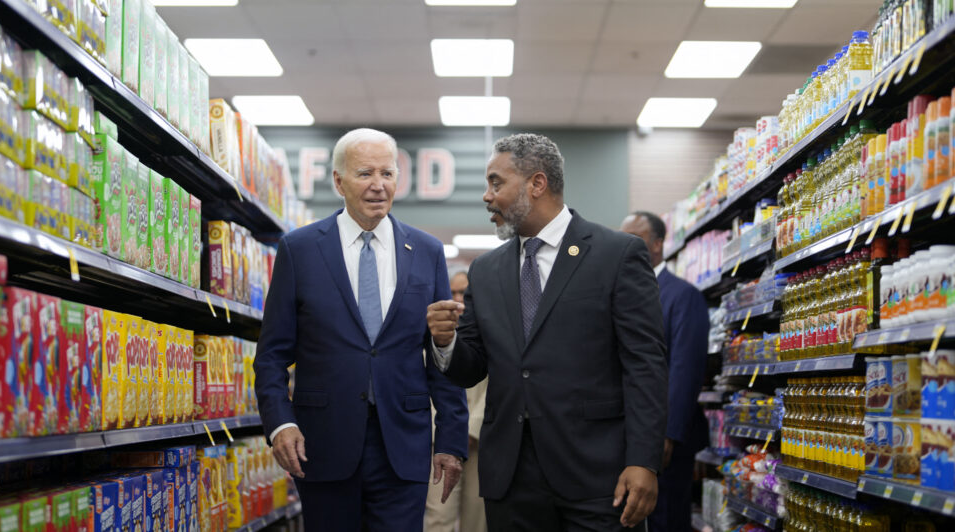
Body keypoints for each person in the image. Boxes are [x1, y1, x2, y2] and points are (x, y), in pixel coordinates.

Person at [426, 133, 668, 531]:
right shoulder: (486, 271)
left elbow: (646, 366)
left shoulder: (616, 255)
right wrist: (445, 341)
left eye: (496, 182)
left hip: (596, 477)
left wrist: (643, 460)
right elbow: (471, 368)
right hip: (511, 479)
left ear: (537, 184)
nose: (487, 196)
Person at [254, 128, 469, 532]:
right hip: (322, 443)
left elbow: (442, 354)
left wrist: (452, 440)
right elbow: (272, 355)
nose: (378, 186)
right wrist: (280, 423)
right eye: (365, 173)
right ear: (338, 181)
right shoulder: (299, 249)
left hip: (403, 444)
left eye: (387, 174)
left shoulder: (425, 252)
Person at [620, 212, 710, 532]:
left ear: (657, 244)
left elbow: (685, 369)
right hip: (630, 433)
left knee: (666, 517)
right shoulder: (623, 292)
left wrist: (668, 433)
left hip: (667, 439)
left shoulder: (683, 296)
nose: (625, 244)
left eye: (635, 237)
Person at [425, 271, 488, 532]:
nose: (457, 299)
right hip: (440, 440)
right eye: (452, 293)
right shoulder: (428, 334)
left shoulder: (488, 331)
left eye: (464, 293)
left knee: (477, 516)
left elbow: (497, 385)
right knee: (438, 516)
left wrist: (471, 429)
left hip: (480, 441)